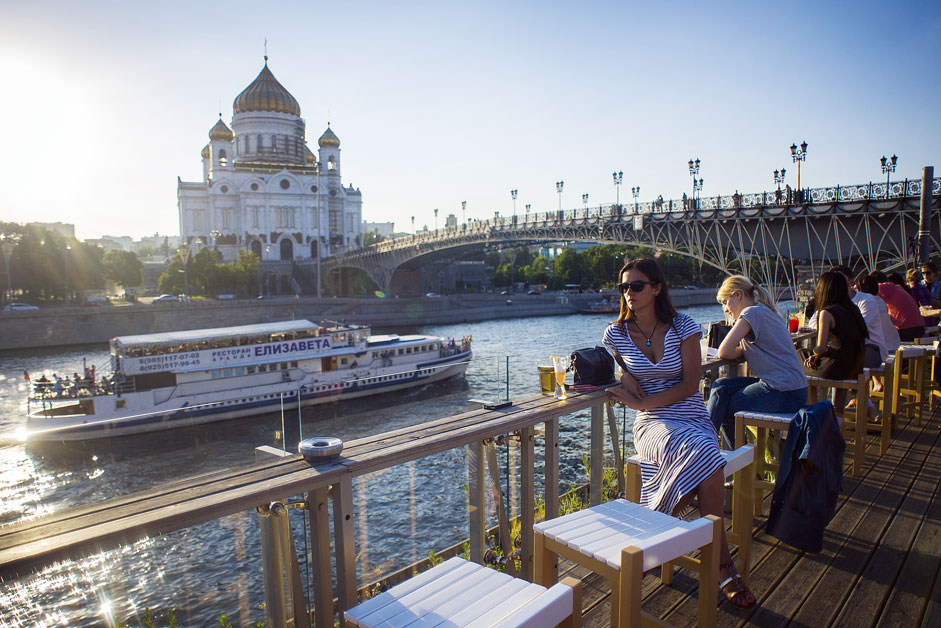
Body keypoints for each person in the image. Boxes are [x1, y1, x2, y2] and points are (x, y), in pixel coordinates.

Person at [603, 258, 755, 609]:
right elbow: (626, 373)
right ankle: (721, 564)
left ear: (657, 288)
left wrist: (642, 403)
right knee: (706, 456)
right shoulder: (615, 334)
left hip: (687, 411)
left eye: (637, 286)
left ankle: (653, 536)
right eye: (624, 287)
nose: (629, 293)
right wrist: (629, 390)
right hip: (653, 422)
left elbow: (690, 384)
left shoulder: (682, 326)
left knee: (704, 450)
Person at [707, 276, 807, 446]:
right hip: (793, 388)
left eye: (725, 302)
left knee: (723, 406)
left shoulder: (750, 313)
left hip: (783, 392)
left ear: (738, 295)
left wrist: (738, 351)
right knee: (721, 385)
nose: (725, 309)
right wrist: (742, 353)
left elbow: (724, 351)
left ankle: (708, 449)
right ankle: (713, 446)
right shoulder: (765, 310)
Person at [803, 272, 868, 412]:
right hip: (855, 366)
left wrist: (815, 354)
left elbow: (819, 348)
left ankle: (813, 412)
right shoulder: (853, 308)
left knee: (801, 363)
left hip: (837, 368)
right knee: (838, 361)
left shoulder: (826, 313)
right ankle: (837, 416)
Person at [872, 270, 925, 341]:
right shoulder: (897, 288)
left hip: (907, 328)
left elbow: (866, 292)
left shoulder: (884, 287)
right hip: (919, 326)